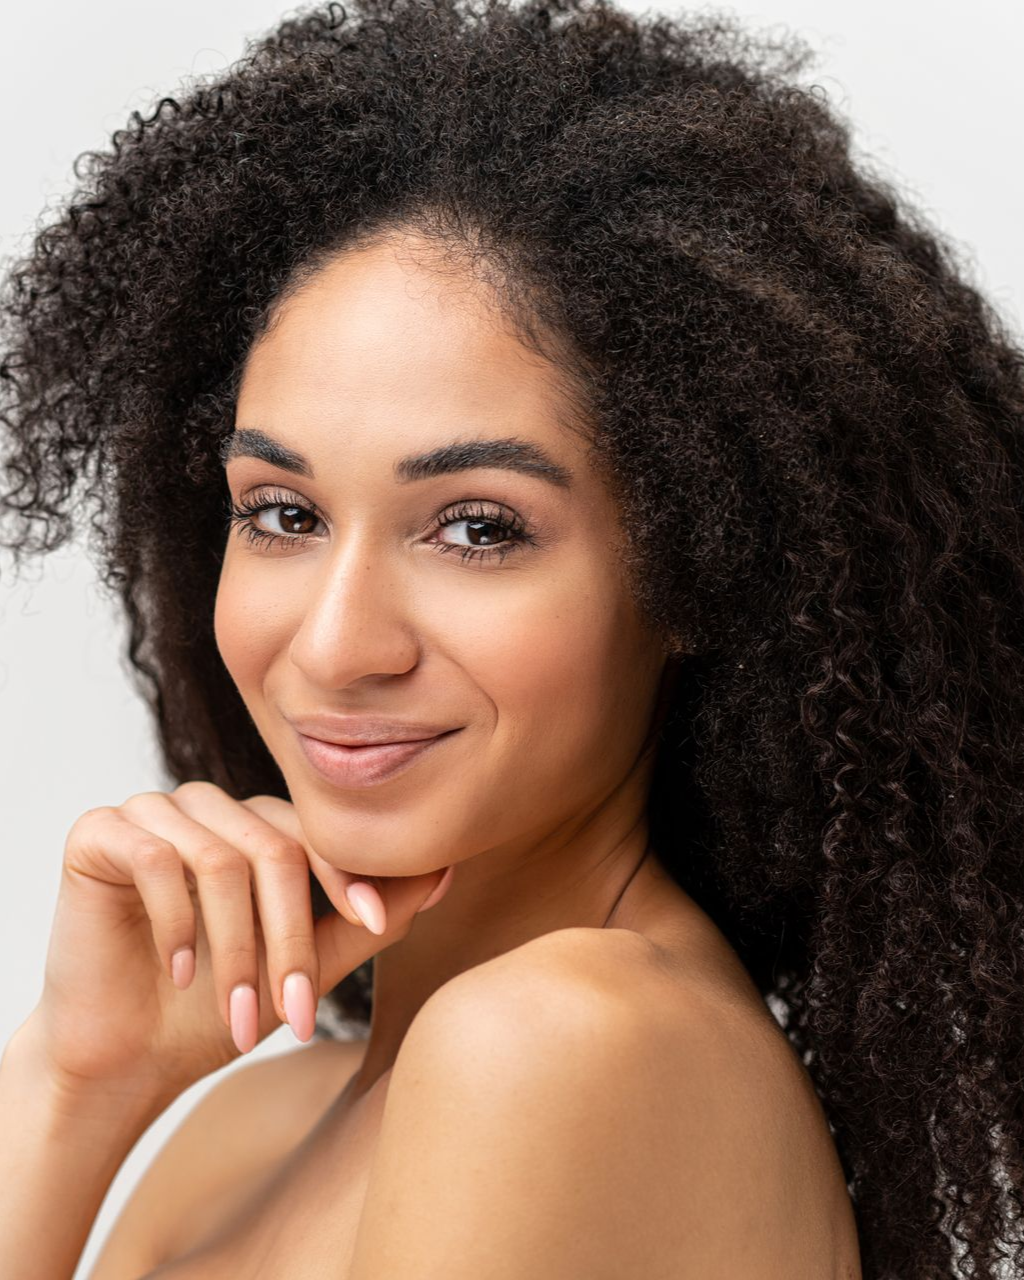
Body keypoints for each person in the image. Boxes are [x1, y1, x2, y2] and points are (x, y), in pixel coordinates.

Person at [1, 0, 1021, 1274]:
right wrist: (72, 1075)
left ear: (694, 565)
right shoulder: (239, 1128)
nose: (334, 641)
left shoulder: (565, 1045)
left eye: (478, 527)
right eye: (283, 512)